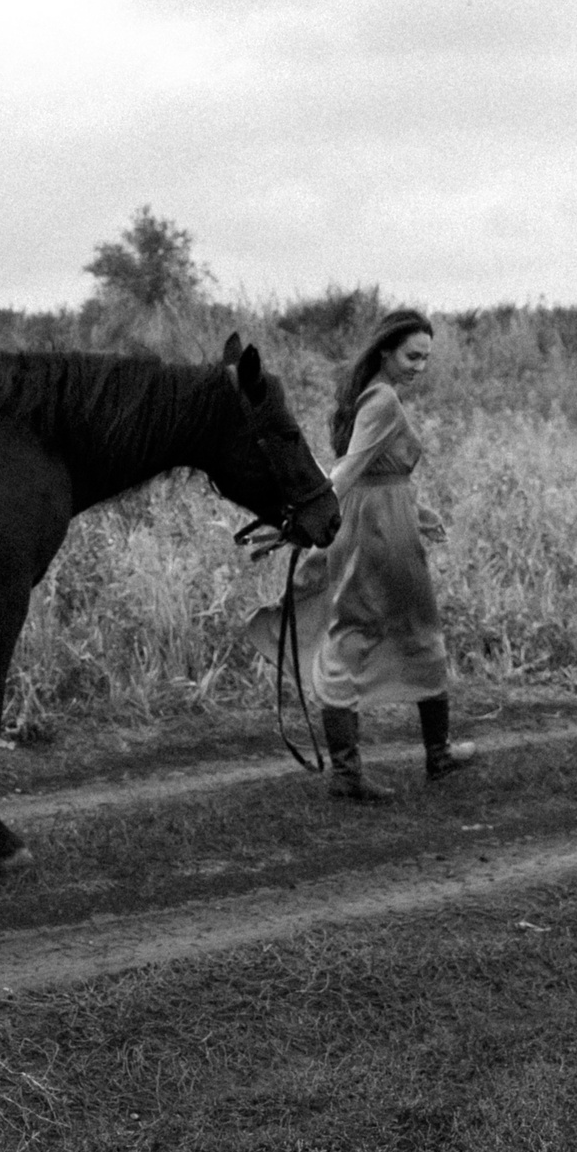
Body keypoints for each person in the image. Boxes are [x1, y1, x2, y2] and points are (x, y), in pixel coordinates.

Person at [244, 309, 475, 801]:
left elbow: (369, 471)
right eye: (413, 355)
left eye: (426, 358)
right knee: (374, 633)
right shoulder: (384, 399)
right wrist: (297, 521)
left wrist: (418, 508)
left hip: (377, 520)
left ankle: (432, 756)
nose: (419, 366)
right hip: (378, 535)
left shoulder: (364, 395)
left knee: (393, 630)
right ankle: (373, 769)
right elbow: (348, 470)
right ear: (386, 351)